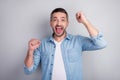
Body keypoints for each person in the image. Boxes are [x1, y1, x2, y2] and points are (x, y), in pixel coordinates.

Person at [24, 8, 107, 80]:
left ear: (67, 23)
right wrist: (30, 51)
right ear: (51, 23)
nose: (59, 23)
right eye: (55, 19)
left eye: (63, 20)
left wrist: (85, 21)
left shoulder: (78, 41)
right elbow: (28, 70)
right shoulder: (41, 44)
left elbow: (101, 43)